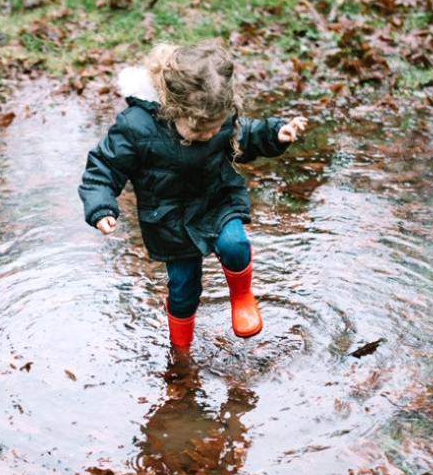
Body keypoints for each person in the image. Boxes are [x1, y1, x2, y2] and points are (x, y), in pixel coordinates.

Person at [78, 40, 308, 351]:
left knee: (235, 243)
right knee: (184, 289)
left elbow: (243, 135)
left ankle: (241, 297)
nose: (210, 135)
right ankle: (181, 350)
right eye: (200, 132)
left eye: (215, 128)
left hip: (217, 199)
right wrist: (101, 207)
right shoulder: (136, 127)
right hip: (170, 219)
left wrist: (274, 133)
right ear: (173, 110)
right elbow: (104, 167)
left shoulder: (215, 112)